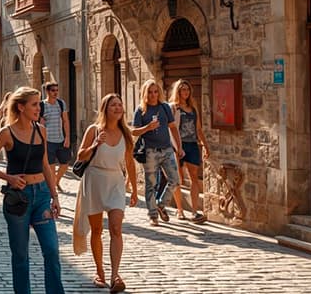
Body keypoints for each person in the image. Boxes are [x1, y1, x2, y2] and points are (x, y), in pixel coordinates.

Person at [0, 87, 64, 294]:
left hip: (42, 195)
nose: (39, 108)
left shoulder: (40, 130)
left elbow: (45, 164)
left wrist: (55, 196)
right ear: (21, 107)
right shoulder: (6, 133)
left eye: (38, 104)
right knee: (20, 255)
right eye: (34, 104)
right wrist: (9, 178)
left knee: (52, 250)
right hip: (18, 199)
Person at [72, 94, 138, 293]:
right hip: (94, 181)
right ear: (105, 109)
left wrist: (134, 189)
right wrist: (95, 145)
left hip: (116, 182)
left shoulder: (125, 133)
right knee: (97, 230)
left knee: (116, 228)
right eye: (113, 105)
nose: (118, 108)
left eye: (120, 105)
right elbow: (80, 156)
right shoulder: (94, 130)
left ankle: (115, 275)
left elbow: (129, 163)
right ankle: (99, 271)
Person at [131, 80, 183, 226]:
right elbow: (133, 131)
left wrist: (179, 147)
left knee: (175, 180)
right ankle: (153, 215)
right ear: (145, 93)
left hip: (167, 149)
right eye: (150, 92)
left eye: (155, 92)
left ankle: (161, 203)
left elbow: (173, 127)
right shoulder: (141, 110)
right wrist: (148, 127)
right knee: (151, 184)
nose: (153, 95)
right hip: (150, 151)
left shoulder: (165, 107)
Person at [165, 79, 210, 223]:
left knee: (194, 177)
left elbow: (198, 129)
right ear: (177, 91)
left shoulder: (193, 109)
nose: (185, 92)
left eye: (187, 89)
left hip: (192, 144)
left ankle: (195, 211)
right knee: (177, 178)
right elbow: (169, 128)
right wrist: (174, 146)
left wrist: (205, 146)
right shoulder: (173, 108)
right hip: (178, 145)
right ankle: (179, 210)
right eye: (182, 89)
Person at [39, 83, 72, 193]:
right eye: (53, 90)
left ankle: (56, 181)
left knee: (65, 163)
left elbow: (66, 121)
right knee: (51, 167)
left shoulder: (61, 103)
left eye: (57, 90)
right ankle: (53, 190)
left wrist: (67, 137)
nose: (55, 92)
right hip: (48, 141)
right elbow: (38, 123)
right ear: (47, 91)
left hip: (61, 139)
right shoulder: (42, 105)